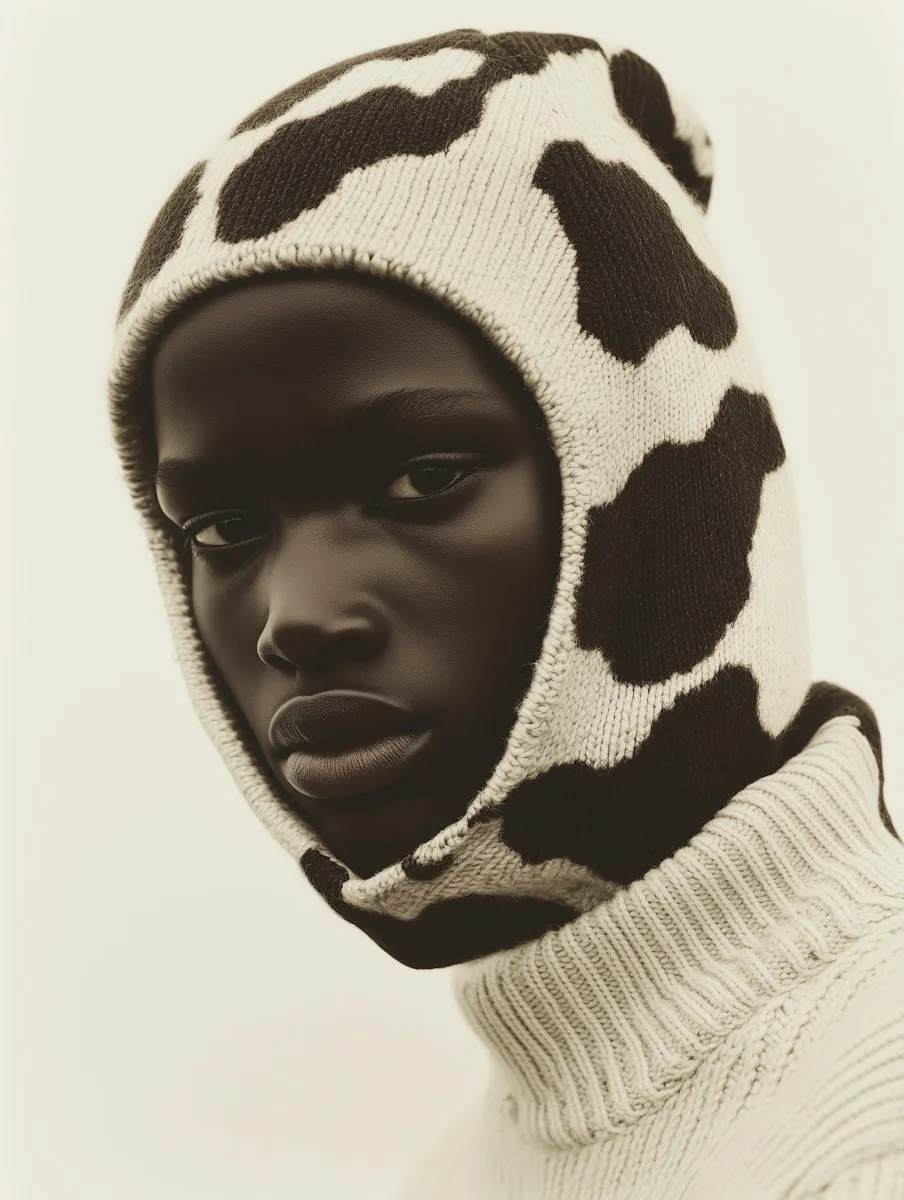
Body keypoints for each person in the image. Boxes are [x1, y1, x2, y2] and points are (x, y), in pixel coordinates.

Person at [106, 27, 904, 1199]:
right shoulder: (461, 1168)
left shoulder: (863, 1139)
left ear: (661, 478)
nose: (294, 616)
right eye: (223, 530)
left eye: (424, 479)